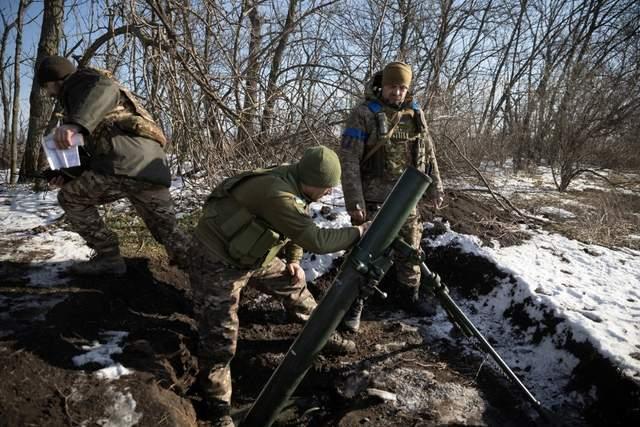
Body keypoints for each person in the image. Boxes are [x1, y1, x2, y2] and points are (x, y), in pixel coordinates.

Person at [189, 146, 369, 426]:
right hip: (217, 260)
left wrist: (294, 260)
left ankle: (320, 333)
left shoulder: (296, 182)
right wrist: (359, 232)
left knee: (295, 287)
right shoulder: (278, 193)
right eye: (326, 187)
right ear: (310, 180)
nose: (329, 193)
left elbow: (297, 223)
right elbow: (317, 240)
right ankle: (217, 407)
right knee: (220, 338)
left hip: (254, 254)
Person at [37, 55, 190, 275]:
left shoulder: (82, 81)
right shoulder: (83, 102)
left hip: (121, 165)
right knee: (169, 231)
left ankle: (109, 258)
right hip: (150, 169)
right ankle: (210, 275)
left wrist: (74, 124)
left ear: (54, 80)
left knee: (70, 198)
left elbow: (106, 86)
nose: (48, 93)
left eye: (46, 87)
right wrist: (65, 175)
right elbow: (93, 155)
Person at [339, 61, 445, 331]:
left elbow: (428, 152)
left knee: (411, 252)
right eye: (391, 86)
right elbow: (349, 161)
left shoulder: (415, 113)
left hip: (408, 199)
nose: (396, 92)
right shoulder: (363, 114)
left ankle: (408, 297)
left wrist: (435, 187)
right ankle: (353, 307)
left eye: (402, 87)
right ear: (382, 85)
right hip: (374, 201)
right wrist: (355, 203)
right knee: (366, 256)